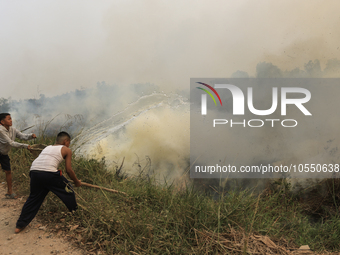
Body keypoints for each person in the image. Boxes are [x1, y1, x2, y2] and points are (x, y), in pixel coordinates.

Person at [15, 131, 81, 233]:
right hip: (49, 173)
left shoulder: (47, 147)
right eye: (69, 142)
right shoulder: (66, 149)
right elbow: (69, 170)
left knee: (34, 198)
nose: (69, 144)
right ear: (65, 141)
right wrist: (77, 182)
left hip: (34, 172)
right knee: (69, 190)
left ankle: (20, 225)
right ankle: (76, 214)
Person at [0, 113, 36, 199]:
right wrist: (26, 146)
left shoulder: (12, 129)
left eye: (11, 118)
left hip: (3, 153)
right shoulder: (0, 130)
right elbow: (11, 143)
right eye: (8, 119)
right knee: (7, 171)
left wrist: (31, 136)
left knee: (8, 171)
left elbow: (22, 136)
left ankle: (10, 192)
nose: (11, 120)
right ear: (2, 121)